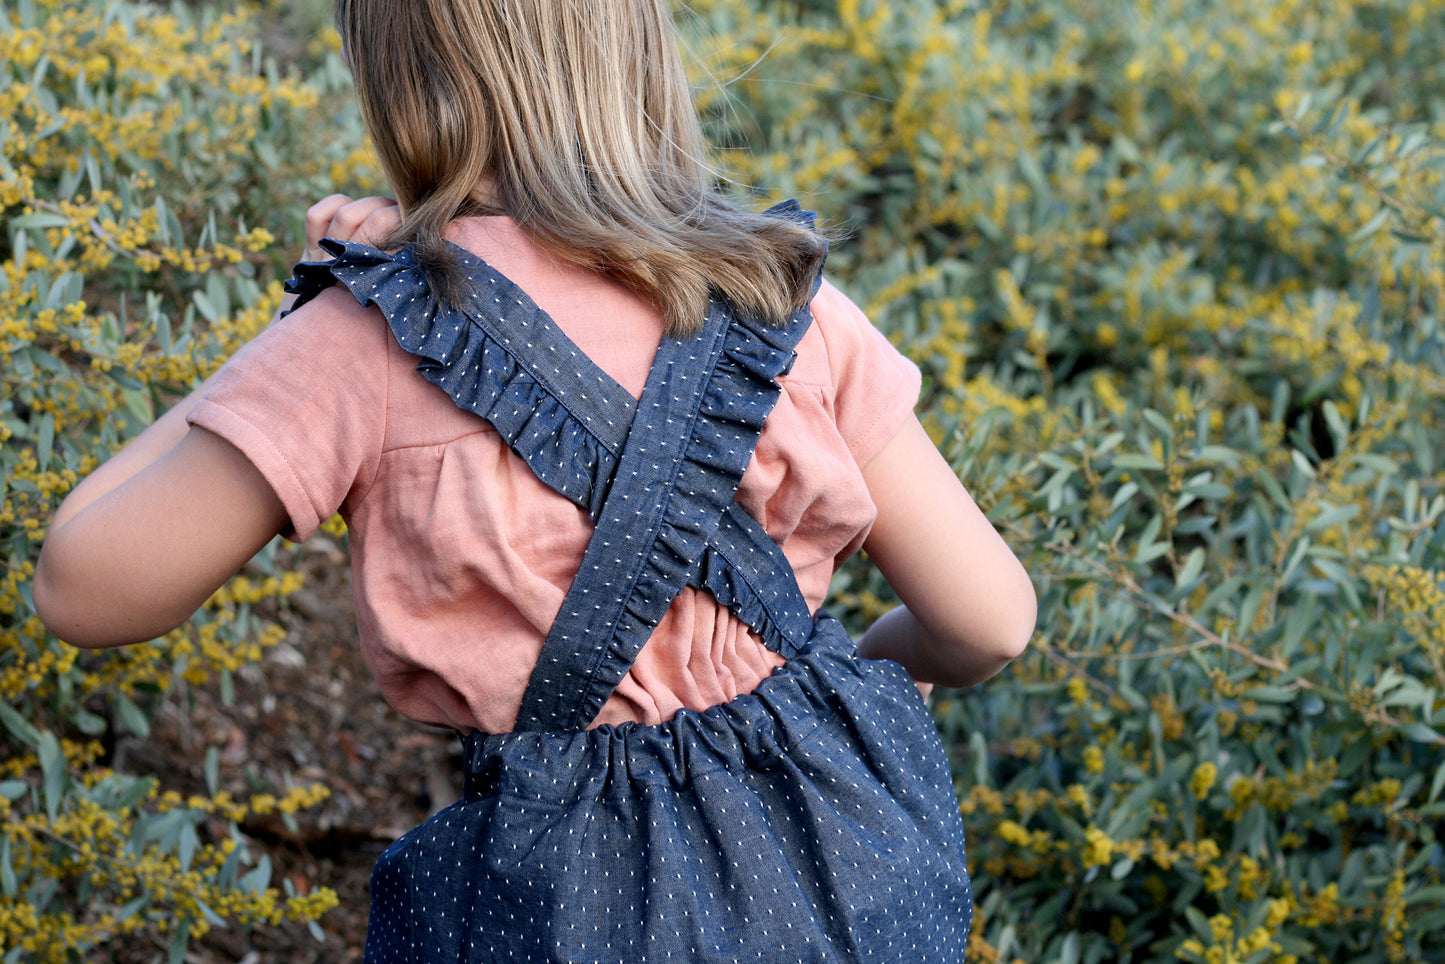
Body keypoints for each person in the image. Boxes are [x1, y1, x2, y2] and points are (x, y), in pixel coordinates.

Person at [33, 0, 1036, 960]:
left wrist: (293, 329)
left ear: (393, 76)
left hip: (565, 905)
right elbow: (989, 621)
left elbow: (81, 587)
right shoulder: (783, 299)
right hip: (843, 877)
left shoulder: (358, 344)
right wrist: (836, 683)